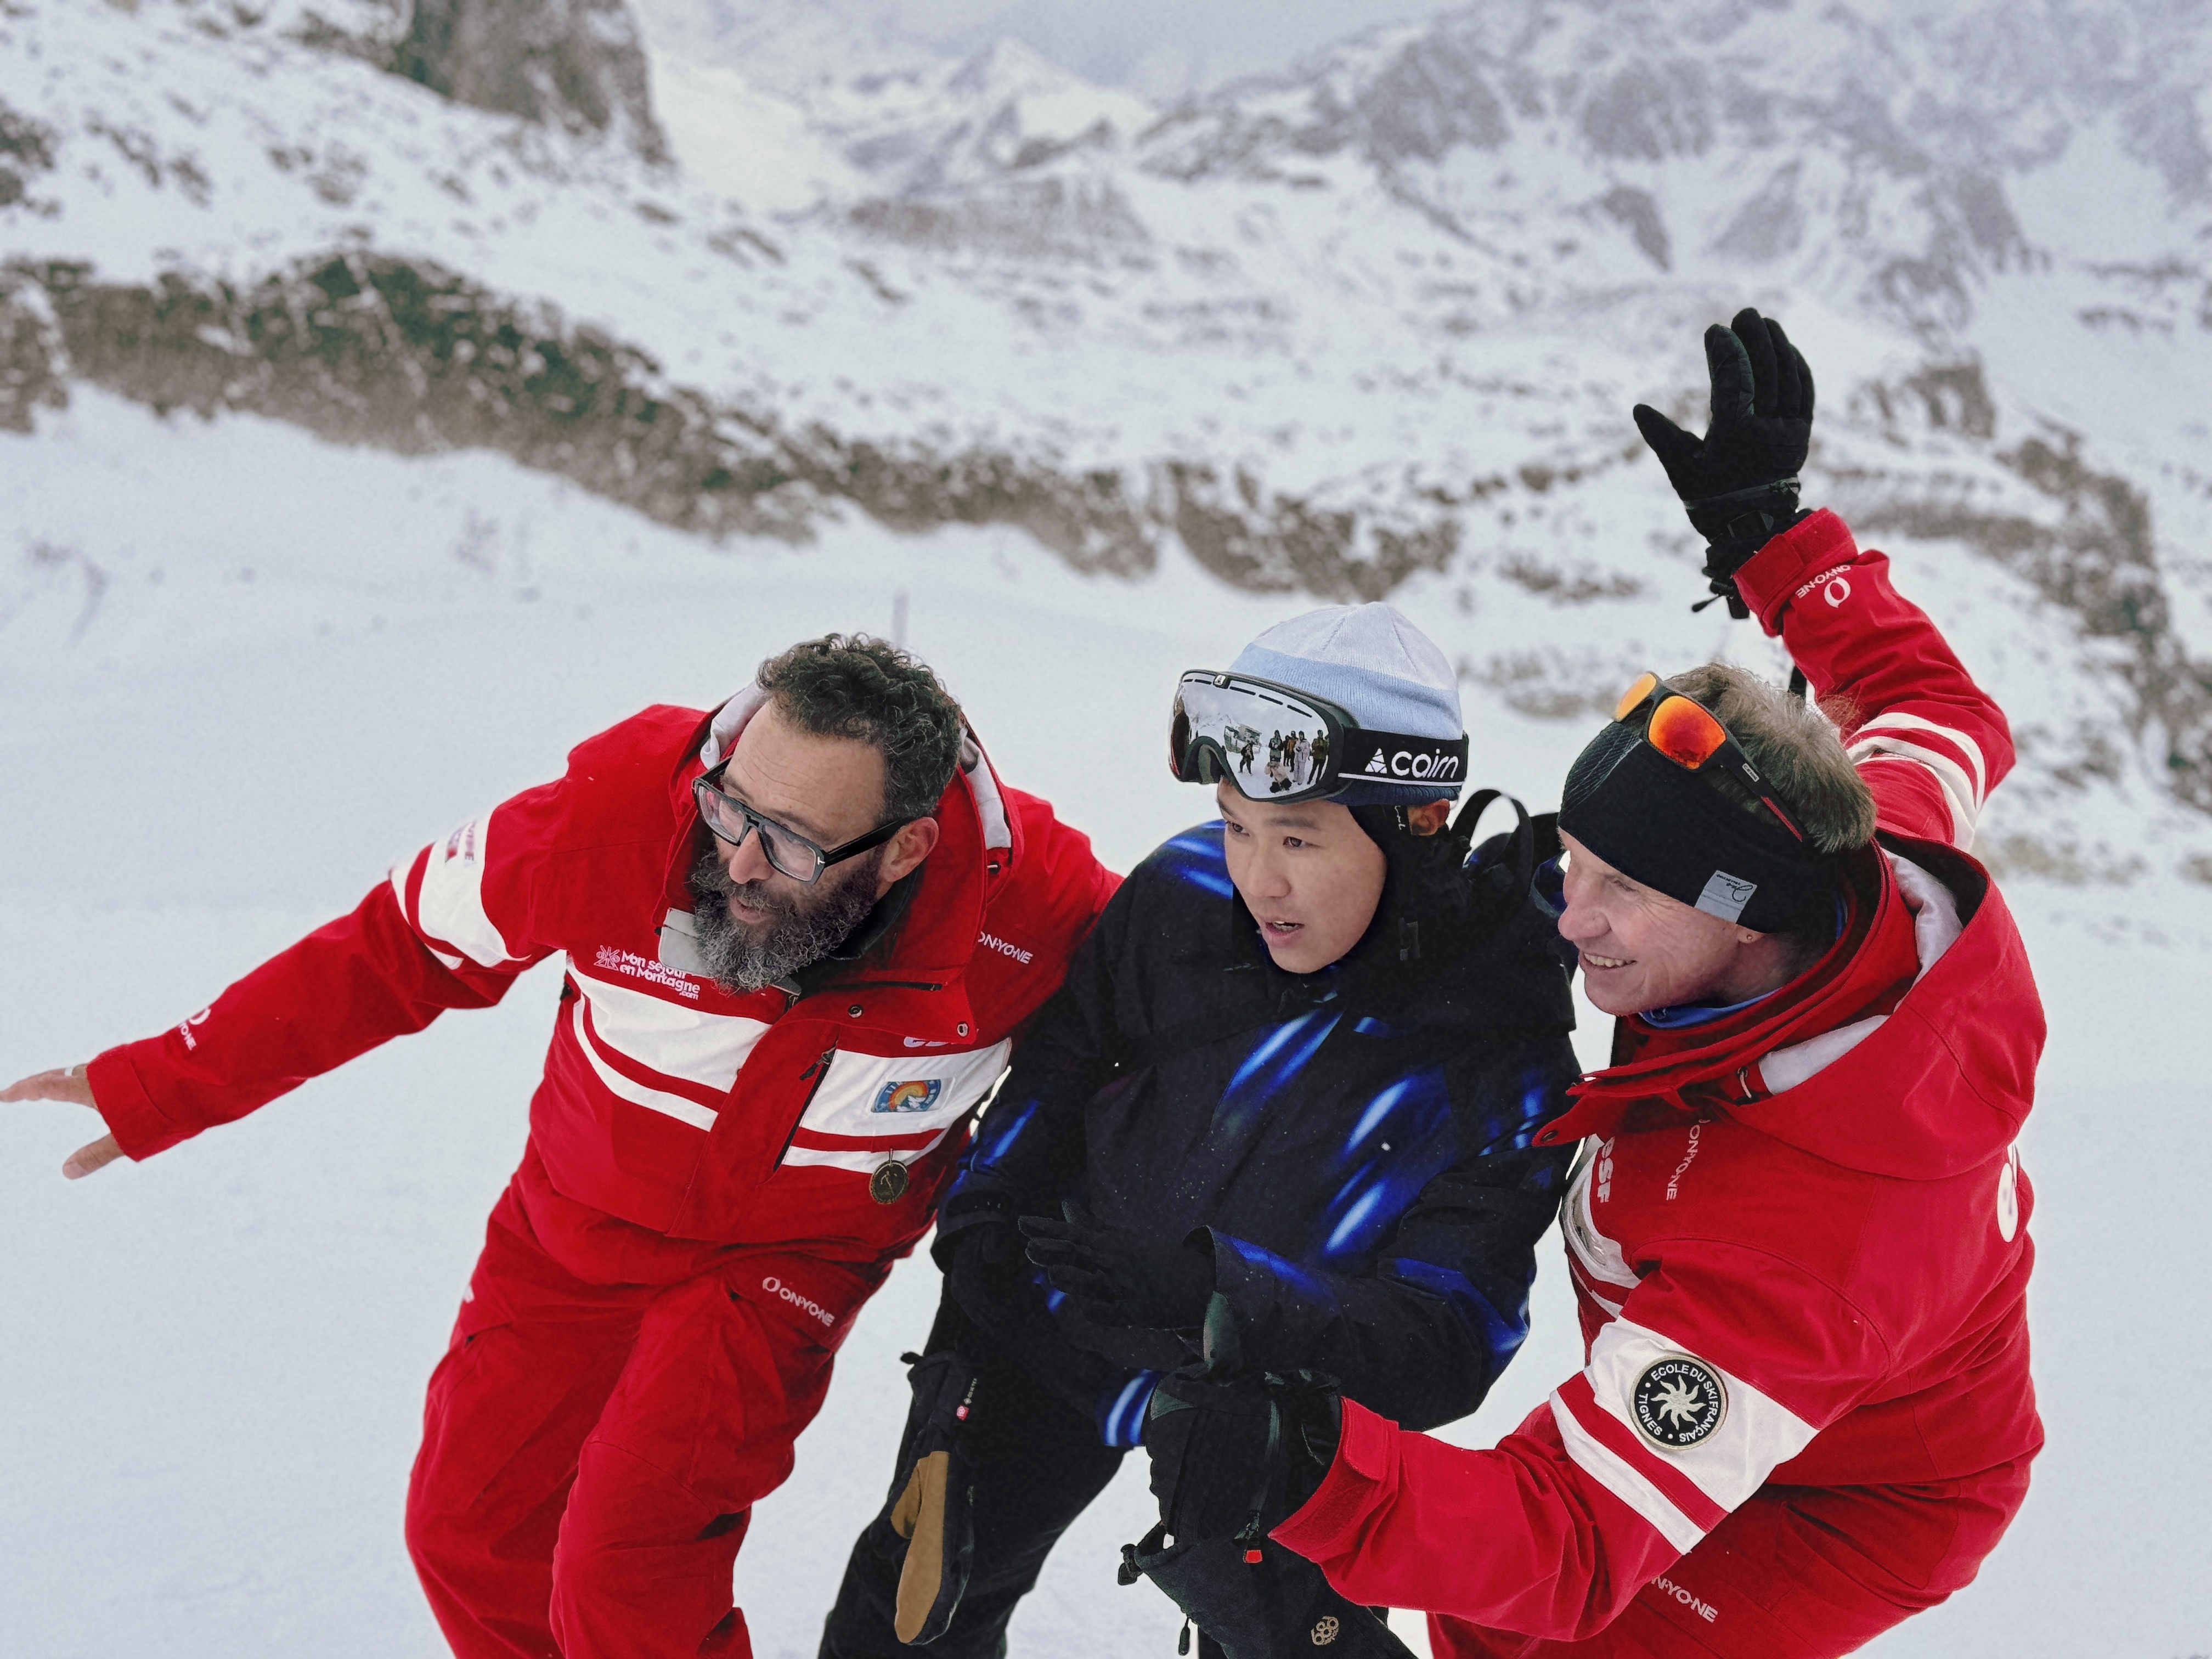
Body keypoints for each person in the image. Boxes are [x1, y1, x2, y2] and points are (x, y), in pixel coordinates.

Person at [1142, 311, 2044, 1659]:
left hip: (1847, 1495)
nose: (1574, 923)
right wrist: (1775, 541)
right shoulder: (1862, 838)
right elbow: (1938, 710)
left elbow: (1566, 1542)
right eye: (1574, 864)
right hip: (1779, 1356)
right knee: (1483, 1600)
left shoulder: (1807, 1244)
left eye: (1621, 897)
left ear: (1750, 926)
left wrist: (1307, 1475)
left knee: (1531, 1630)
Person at [1, 636, 1116, 1659]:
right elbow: (401, 947)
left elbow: (1178, 1037)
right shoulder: (622, 814)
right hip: (573, 1228)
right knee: (467, 1533)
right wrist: (166, 1081)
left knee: (624, 1571)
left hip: (782, 1268)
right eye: (730, 809)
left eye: (787, 844)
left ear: (906, 846)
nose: (736, 861)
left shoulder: (1034, 912)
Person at [819, 604, 1583, 1659]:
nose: (1257, 877)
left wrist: (1231, 1299)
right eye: (1236, 824)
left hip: (1273, 1427)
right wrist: (992, 1215)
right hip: (1053, 1321)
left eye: (1300, 838)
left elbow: (1450, 1343)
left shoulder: (1500, 1053)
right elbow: (1068, 1059)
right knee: (905, 1617)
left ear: (1417, 820)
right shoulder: (1183, 891)